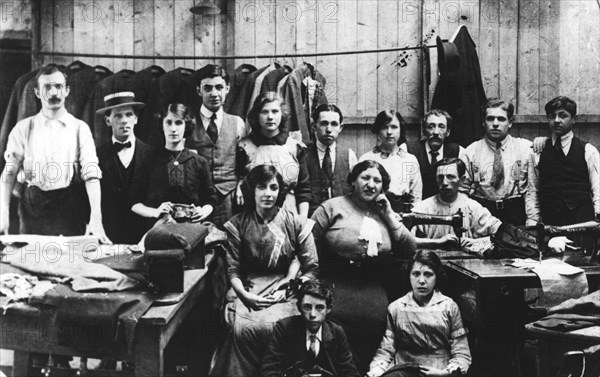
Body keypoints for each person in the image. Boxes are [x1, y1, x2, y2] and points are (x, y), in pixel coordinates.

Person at [209, 164, 319, 377]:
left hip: (287, 290)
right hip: (249, 288)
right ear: (252, 190)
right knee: (239, 330)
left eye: (273, 187)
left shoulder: (295, 223)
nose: (268, 193)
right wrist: (245, 296)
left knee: (284, 329)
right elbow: (233, 270)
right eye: (261, 187)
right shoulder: (237, 224)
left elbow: (312, 268)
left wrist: (289, 286)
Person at [311, 160, 416, 373]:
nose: (370, 184)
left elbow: (409, 248)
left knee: (377, 317)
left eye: (377, 181)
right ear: (353, 181)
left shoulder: (384, 211)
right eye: (365, 178)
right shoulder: (332, 207)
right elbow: (307, 242)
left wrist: (387, 213)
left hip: (371, 281)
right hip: (335, 278)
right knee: (335, 318)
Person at [0, 64, 109, 243]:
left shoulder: (80, 129)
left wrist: (96, 218)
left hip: (68, 208)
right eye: (47, 87)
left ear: (66, 91)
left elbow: (91, 176)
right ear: (37, 92)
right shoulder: (23, 129)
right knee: (29, 263)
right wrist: (2, 212)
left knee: (68, 265)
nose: (53, 93)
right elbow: (9, 173)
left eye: (58, 87)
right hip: (31, 209)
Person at [366, 250, 471, 377]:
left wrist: (445, 373)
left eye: (428, 274)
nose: (421, 281)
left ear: (437, 276)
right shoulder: (396, 308)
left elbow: (461, 351)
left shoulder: (448, 306)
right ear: (408, 276)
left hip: (439, 369)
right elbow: (386, 349)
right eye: (416, 274)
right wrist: (376, 370)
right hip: (404, 368)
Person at [130, 103, 216, 231]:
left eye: (178, 123)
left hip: (191, 230)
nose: (173, 128)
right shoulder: (148, 161)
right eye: (168, 123)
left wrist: (203, 211)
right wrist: (155, 212)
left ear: (186, 125)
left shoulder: (199, 162)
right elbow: (134, 202)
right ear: (162, 126)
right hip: (158, 231)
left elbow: (211, 198)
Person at [185, 65, 247, 227]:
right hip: (197, 199)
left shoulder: (237, 123)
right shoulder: (188, 122)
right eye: (208, 88)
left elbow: (245, 161)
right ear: (199, 90)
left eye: (219, 87)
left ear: (227, 89)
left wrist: (241, 184)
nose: (214, 93)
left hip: (229, 197)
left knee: (229, 242)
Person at [260, 280, 360, 377]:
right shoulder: (284, 328)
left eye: (319, 308)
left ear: (328, 309)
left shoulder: (337, 332)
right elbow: (268, 371)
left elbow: (350, 372)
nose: (313, 315)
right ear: (299, 307)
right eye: (307, 307)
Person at [529, 96, 600, 228]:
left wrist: (598, 214)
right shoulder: (538, 151)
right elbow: (533, 189)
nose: (556, 121)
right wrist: (533, 222)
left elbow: (597, 185)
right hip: (550, 222)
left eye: (563, 116)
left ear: (573, 119)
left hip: (582, 221)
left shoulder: (588, 151)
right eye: (551, 116)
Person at [237, 92, 311, 217]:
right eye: (264, 112)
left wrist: (301, 221)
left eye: (275, 111)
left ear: (282, 114)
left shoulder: (295, 147)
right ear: (256, 115)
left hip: (289, 212)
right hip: (254, 214)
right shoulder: (244, 147)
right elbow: (239, 179)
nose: (270, 117)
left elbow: (304, 189)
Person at [462, 99, 535, 225]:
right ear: (483, 122)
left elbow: (532, 190)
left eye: (501, 119)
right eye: (490, 119)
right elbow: (462, 191)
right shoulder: (471, 151)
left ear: (510, 122)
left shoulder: (525, 149)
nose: (495, 124)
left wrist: (532, 219)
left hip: (515, 213)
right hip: (482, 213)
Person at [96, 92, 154, 244]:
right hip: (109, 234)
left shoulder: (151, 155)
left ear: (136, 119)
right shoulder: (96, 155)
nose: (124, 121)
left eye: (129, 115)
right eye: (118, 116)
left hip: (143, 235)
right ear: (108, 120)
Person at [412, 158, 502, 250]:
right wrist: (438, 242)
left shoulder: (473, 208)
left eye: (450, 177)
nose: (444, 182)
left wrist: (475, 242)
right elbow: (406, 240)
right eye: (440, 177)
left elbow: (502, 234)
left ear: (462, 180)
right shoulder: (422, 208)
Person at [359, 110, 422, 212]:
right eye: (384, 127)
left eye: (394, 127)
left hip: (401, 216)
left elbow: (416, 197)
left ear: (401, 130)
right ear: (378, 131)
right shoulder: (366, 159)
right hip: (373, 214)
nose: (389, 132)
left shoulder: (410, 160)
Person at [306, 104, 357, 217]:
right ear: (314, 126)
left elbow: (356, 192)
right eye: (324, 123)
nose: (329, 129)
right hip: (311, 219)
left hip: (342, 219)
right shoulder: (303, 154)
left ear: (340, 128)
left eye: (334, 124)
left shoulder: (349, 155)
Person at [406, 109, 464, 200]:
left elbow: (462, 187)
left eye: (441, 126)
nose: (436, 132)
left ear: (448, 132)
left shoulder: (458, 151)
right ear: (424, 131)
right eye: (431, 126)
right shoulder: (408, 150)